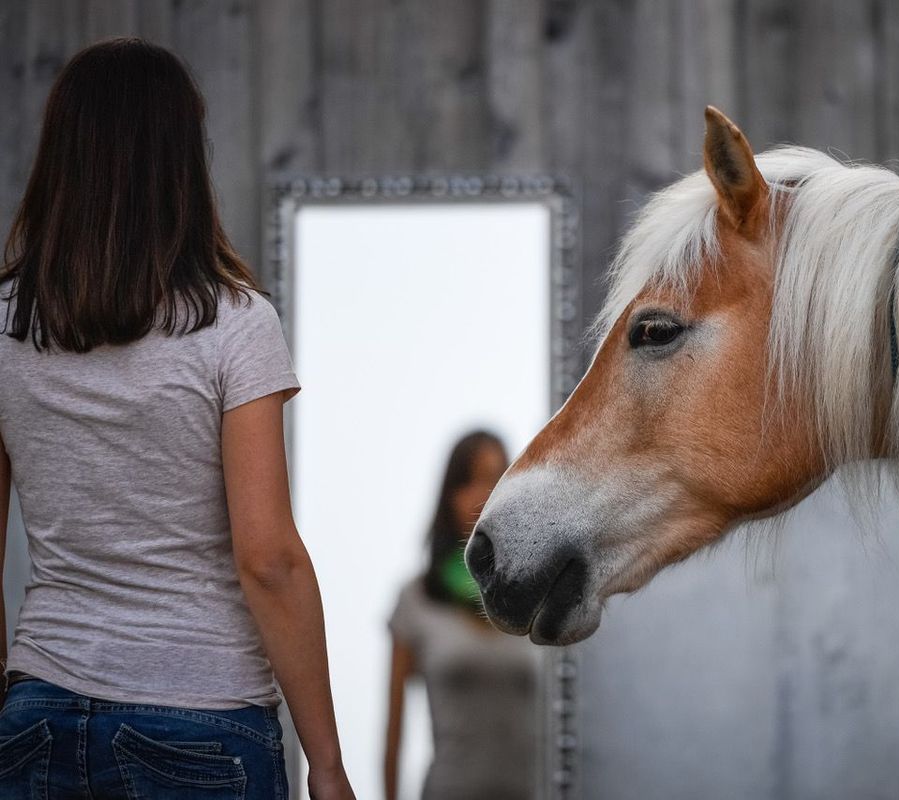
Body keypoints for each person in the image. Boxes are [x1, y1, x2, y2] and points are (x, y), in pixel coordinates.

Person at [0, 38, 354, 799]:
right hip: (201, 723)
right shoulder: (234, 322)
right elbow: (268, 558)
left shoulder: (3, 327)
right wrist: (326, 765)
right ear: (179, 161)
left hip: (35, 717)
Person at [384, 431, 538, 800]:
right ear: (448, 495)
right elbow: (394, 730)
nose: (483, 494)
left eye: (496, 478)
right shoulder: (418, 599)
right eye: (471, 480)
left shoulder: (533, 599)